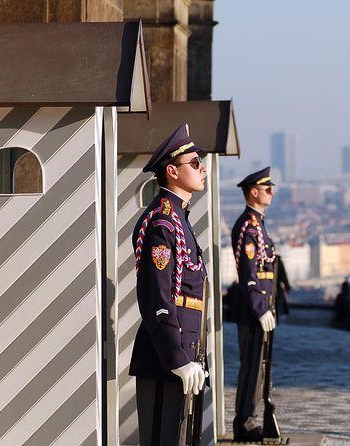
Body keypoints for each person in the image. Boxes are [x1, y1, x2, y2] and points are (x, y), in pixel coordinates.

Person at [129, 123, 208, 445]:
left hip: (184, 349)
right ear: (172, 171)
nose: (201, 168)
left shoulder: (178, 218)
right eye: (194, 163)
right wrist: (176, 358)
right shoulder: (162, 222)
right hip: (167, 355)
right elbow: (157, 296)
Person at [230, 166, 278, 442]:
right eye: (267, 188)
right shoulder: (248, 226)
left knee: (260, 365)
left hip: (261, 305)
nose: (271, 192)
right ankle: (243, 422)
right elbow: (248, 274)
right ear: (253, 192)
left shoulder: (258, 224)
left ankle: (250, 416)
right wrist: (260, 308)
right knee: (251, 364)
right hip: (251, 309)